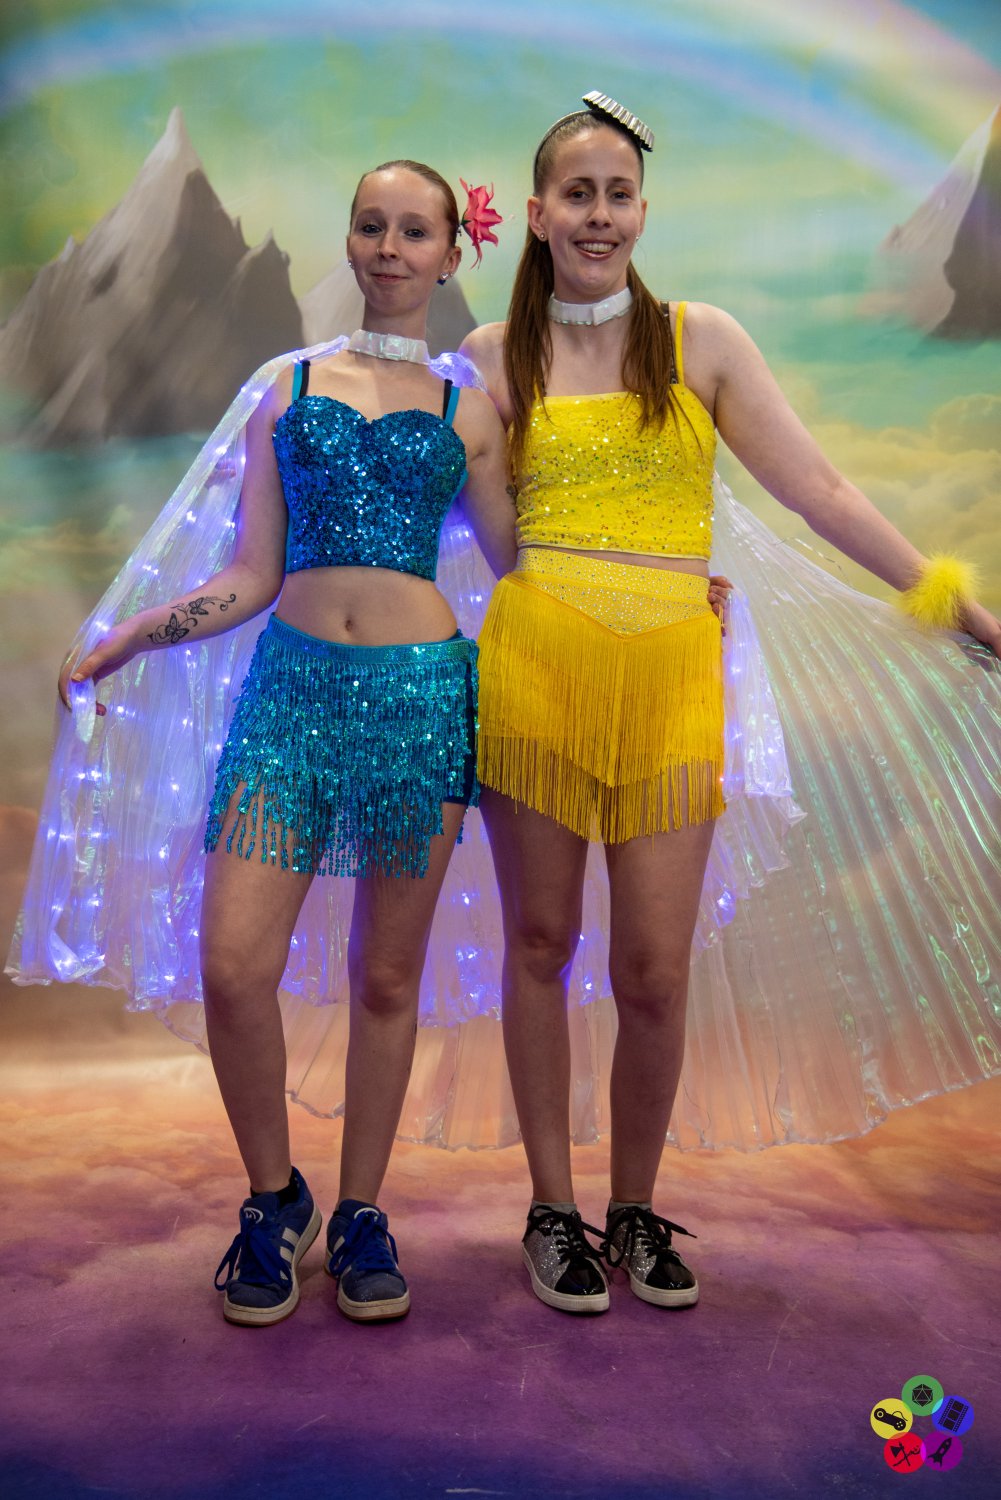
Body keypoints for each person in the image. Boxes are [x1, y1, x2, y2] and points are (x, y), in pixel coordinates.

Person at [460, 93, 1001, 1315]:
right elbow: (464, 520)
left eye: (618, 195)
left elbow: (817, 489)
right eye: (576, 195)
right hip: (533, 673)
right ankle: (550, 1210)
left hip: (670, 678)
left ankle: (632, 1207)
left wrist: (952, 605)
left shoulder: (699, 340)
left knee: (653, 968)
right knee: (538, 945)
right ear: (536, 214)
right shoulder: (491, 361)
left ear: (642, 211)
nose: (598, 216)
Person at [51, 159, 517, 1327]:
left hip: (421, 701)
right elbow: (251, 573)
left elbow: (524, 565)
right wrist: (134, 633)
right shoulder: (287, 385)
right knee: (231, 965)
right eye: (371, 225)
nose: (390, 247)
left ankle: (361, 1211)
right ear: (349, 240)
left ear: (449, 255)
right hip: (290, 697)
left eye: (415, 231)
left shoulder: (470, 410)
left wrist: (658, 587)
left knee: (386, 977)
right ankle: (276, 1200)